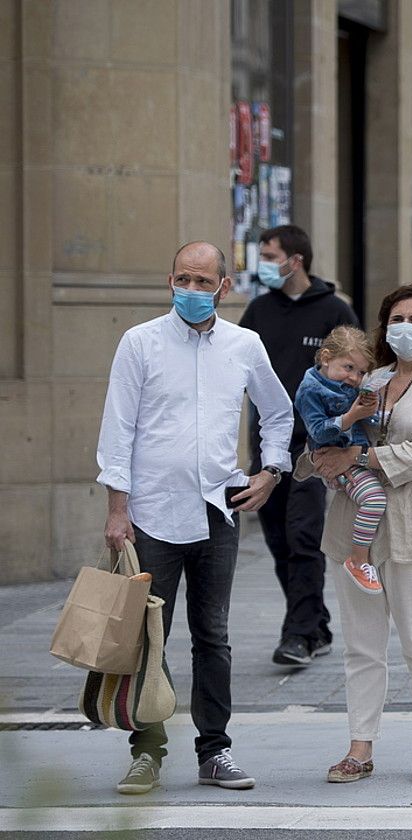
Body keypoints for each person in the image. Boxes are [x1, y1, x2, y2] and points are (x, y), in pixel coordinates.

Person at [97, 241, 294, 795]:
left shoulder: (244, 345)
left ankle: (215, 751)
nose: (191, 290)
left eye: (203, 281)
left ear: (223, 288)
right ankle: (147, 752)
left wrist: (270, 472)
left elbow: (278, 413)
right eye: (183, 279)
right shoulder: (140, 343)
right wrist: (117, 510)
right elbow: (118, 429)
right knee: (148, 638)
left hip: (218, 511)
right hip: (152, 513)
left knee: (213, 636)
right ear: (170, 281)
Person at [311, 283, 412, 786]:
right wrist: (322, 456)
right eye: (395, 318)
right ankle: (360, 747)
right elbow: (329, 430)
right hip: (353, 526)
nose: (404, 327)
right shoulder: (369, 378)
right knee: (361, 645)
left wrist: (356, 458)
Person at [239, 224, 358, 667]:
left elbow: (354, 372)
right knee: (277, 538)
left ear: (296, 259)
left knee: (303, 535)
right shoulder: (257, 313)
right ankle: (316, 623)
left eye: (271, 256)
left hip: (313, 444)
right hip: (267, 445)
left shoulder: (333, 311)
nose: (265, 264)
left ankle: (298, 636)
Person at [293, 325, 388, 596]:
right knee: (375, 499)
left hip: (354, 452)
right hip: (336, 457)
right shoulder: (310, 390)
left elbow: (362, 418)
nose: (354, 378)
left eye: (360, 372)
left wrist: (371, 412)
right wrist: (352, 416)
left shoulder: (343, 383)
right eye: (349, 368)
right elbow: (318, 430)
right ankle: (358, 560)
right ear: (325, 358)